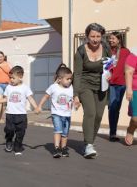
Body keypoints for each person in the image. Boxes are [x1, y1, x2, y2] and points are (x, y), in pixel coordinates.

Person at [73, 23, 111, 159]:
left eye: (98, 36)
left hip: (102, 85)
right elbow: (77, 74)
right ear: (87, 36)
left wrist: (110, 72)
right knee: (90, 113)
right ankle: (89, 145)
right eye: (92, 36)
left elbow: (109, 65)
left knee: (99, 116)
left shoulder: (106, 47)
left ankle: (88, 142)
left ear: (102, 36)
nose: (95, 39)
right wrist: (75, 94)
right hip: (85, 84)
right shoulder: (81, 51)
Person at [0, 66, 38, 156]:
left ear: (20, 77)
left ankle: (17, 146)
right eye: (10, 78)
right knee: (9, 130)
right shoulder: (8, 88)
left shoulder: (25, 88)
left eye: (13, 78)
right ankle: (9, 141)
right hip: (10, 114)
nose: (11, 80)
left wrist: (36, 107)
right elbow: (6, 99)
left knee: (21, 132)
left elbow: (30, 98)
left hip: (21, 114)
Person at [37, 64, 75, 158]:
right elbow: (46, 96)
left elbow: (73, 100)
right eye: (68, 79)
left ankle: (64, 148)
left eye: (71, 79)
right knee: (58, 130)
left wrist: (76, 104)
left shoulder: (71, 88)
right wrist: (39, 106)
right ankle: (57, 148)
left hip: (67, 114)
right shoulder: (53, 87)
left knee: (65, 133)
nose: (70, 80)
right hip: (56, 114)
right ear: (60, 79)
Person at [108, 32, 130, 142]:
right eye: (110, 38)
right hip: (110, 83)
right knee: (112, 107)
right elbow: (105, 66)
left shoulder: (126, 52)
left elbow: (131, 66)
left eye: (113, 38)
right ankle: (112, 133)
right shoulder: (107, 51)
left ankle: (113, 132)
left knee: (116, 108)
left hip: (122, 83)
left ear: (119, 40)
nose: (110, 40)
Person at [124, 50, 137, 145]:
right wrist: (129, 88)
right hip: (136, 88)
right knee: (135, 118)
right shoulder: (134, 54)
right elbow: (128, 72)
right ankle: (131, 130)